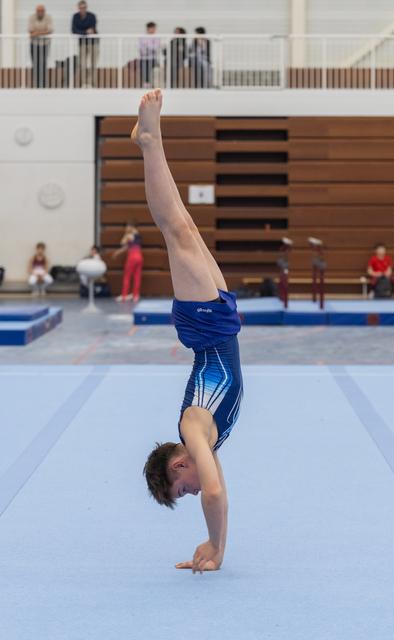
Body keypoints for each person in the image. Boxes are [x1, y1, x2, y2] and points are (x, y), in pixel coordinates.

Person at [135, 90, 243, 573]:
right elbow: (217, 487)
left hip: (205, 330)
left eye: (184, 487)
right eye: (188, 494)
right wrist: (215, 542)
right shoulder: (204, 445)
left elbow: (215, 491)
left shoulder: (192, 429)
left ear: (180, 465)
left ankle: (149, 140)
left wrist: (216, 548)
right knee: (187, 227)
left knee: (174, 227)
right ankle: (149, 140)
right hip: (219, 326)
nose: (195, 489)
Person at [113, 224, 144, 302]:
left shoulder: (129, 235)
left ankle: (124, 296)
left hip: (132, 257)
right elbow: (127, 247)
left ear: (130, 228)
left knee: (127, 277)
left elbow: (122, 243)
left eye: (126, 228)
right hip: (139, 256)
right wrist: (117, 253)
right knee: (137, 277)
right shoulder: (138, 236)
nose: (125, 229)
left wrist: (126, 234)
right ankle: (135, 296)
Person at [71, 0, 98, 87]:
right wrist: (85, 32)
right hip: (82, 43)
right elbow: (74, 30)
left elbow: (92, 29)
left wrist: (82, 32)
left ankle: (91, 82)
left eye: (84, 8)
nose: (83, 9)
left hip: (93, 43)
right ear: (78, 8)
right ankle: (83, 82)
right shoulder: (75, 17)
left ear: (86, 8)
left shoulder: (92, 16)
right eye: (81, 8)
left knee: (93, 63)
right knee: (82, 63)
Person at [28, 4, 53, 88]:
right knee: (35, 64)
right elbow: (30, 31)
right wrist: (42, 31)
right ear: (36, 12)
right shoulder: (32, 17)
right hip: (34, 44)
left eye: (42, 11)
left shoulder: (48, 18)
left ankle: (43, 84)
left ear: (44, 11)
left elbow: (50, 30)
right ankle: (36, 84)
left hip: (45, 44)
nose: (40, 13)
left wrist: (37, 33)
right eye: (38, 11)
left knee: (43, 64)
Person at [139, 22, 161, 88]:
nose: (153, 30)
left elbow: (156, 47)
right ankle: (146, 84)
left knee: (153, 67)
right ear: (148, 28)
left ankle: (152, 84)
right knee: (144, 68)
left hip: (153, 58)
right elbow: (141, 49)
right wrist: (150, 47)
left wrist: (148, 46)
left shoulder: (157, 37)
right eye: (152, 28)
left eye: (154, 28)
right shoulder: (142, 37)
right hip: (144, 58)